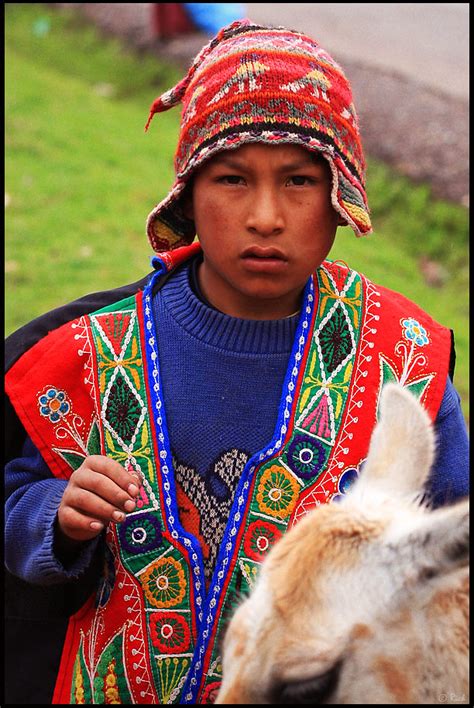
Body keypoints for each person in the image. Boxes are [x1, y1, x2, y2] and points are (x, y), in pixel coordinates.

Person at [4, 19, 469, 705]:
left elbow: (453, 548)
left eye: (300, 181)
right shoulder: (85, 355)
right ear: (188, 194)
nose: (265, 216)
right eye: (231, 177)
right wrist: (57, 516)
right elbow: (12, 499)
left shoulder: (401, 361)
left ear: (341, 201)